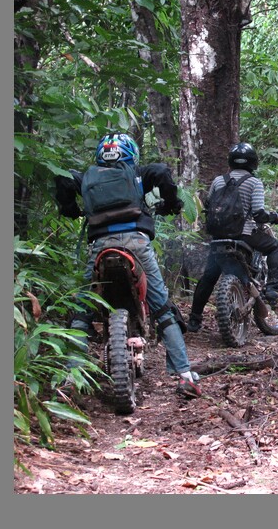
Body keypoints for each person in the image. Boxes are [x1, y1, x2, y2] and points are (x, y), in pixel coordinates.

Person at [54, 133, 201, 399]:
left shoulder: (87, 177)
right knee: (163, 308)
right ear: (131, 153)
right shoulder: (137, 174)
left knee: (82, 312)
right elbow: (161, 171)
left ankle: (71, 377)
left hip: (100, 245)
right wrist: (172, 202)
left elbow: (63, 178)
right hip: (137, 243)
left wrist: (70, 208)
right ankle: (185, 376)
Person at [188, 142, 278, 332]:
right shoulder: (254, 183)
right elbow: (258, 214)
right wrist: (274, 217)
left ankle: (194, 319)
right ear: (253, 162)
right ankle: (273, 287)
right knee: (276, 247)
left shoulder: (218, 181)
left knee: (209, 277)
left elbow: (208, 206)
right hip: (244, 235)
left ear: (231, 161)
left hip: (218, 238)